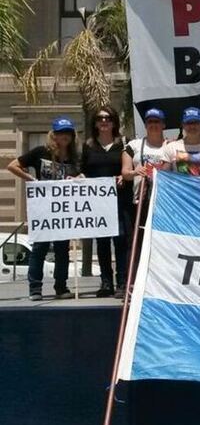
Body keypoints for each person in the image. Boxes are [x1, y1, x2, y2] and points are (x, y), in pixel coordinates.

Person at [8, 117, 79, 301]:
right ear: (53, 135)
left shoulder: (74, 156)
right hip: (43, 209)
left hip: (64, 210)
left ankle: (61, 287)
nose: (64, 136)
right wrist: (32, 179)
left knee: (63, 250)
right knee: (39, 248)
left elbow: (81, 175)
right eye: (60, 132)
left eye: (68, 133)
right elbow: (13, 165)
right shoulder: (41, 152)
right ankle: (35, 288)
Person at [80, 106, 132, 298]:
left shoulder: (124, 144)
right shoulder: (88, 145)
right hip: (98, 204)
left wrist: (122, 175)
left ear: (114, 122)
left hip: (120, 200)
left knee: (120, 242)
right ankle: (106, 282)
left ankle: (122, 283)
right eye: (100, 118)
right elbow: (84, 169)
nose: (104, 121)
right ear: (95, 123)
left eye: (108, 118)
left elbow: (130, 167)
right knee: (102, 243)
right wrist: (77, 177)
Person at [122, 108, 167, 265]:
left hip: (162, 204)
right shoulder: (133, 145)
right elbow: (125, 173)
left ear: (163, 125)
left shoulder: (171, 146)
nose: (153, 125)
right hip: (139, 202)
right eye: (150, 122)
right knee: (135, 241)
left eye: (157, 121)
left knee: (160, 243)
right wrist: (136, 171)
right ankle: (133, 280)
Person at [161, 107, 200, 180]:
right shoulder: (171, 147)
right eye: (188, 123)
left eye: (196, 123)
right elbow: (164, 176)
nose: (192, 126)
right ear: (183, 125)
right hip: (180, 191)